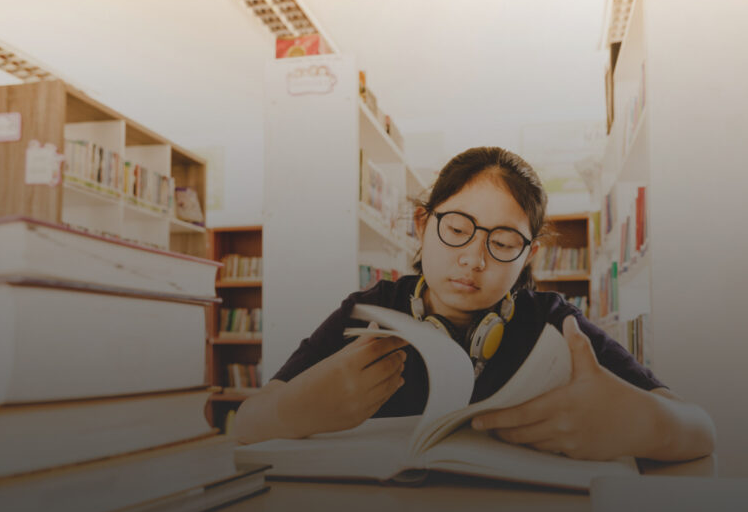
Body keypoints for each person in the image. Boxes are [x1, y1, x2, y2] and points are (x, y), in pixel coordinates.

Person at [230, 147, 715, 462]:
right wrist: (292, 411)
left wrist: (644, 422)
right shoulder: (368, 311)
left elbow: (701, 430)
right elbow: (247, 424)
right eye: (457, 230)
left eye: (503, 242)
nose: (473, 258)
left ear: (530, 253)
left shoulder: (553, 323)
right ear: (422, 224)